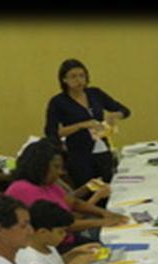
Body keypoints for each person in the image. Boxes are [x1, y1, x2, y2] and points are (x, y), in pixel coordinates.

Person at [4, 138, 128, 245]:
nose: (60, 172)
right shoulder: (22, 189)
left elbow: (73, 202)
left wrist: (104, 213)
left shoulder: (46, 183)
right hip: (55, 246)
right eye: (56, 167)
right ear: (40, 165)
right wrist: (102, 221)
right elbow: (60, 224)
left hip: (68, 237)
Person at [44, 58, 130, 192]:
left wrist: (114, 115)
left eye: (82, 76)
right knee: (89, 192)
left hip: (103, 150)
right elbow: (51, 132)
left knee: (110, 189)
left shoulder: (95, 93)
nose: (78, 80)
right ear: (64, 80)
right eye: (73, 76)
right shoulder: (58, 102)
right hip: (79, 155)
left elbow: (125, 111)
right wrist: (80, 125)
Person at [17, 200, 101, 264]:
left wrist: (74, 253)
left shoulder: (45, 243)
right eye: (60, 232)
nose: (65, 235)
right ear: (42, 232)